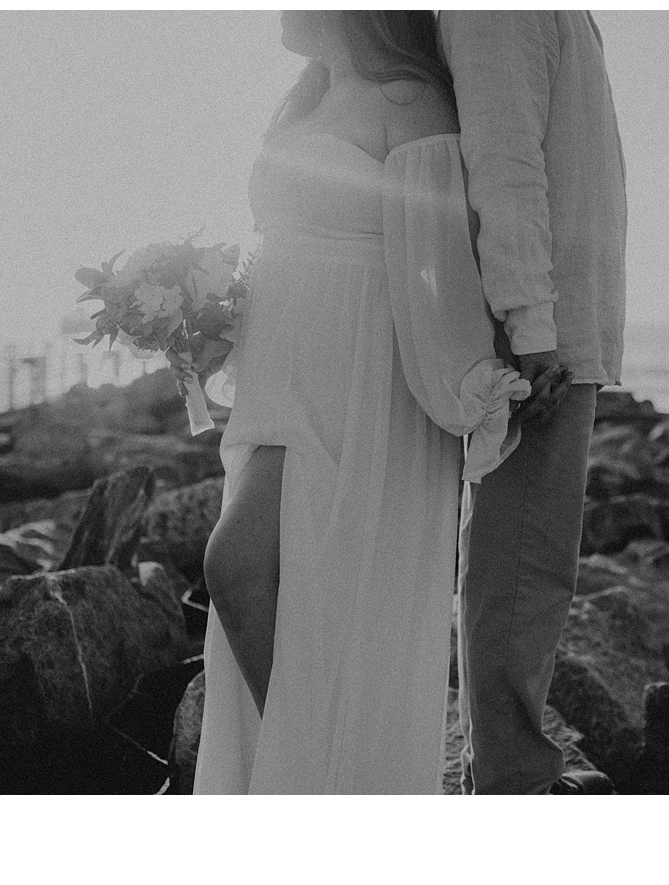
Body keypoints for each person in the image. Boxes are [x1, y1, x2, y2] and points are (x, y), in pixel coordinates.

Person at [192, 10, 529, 794]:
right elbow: (283, 246)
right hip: (280, 371)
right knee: (269, 581)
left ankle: (320, 785)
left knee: (240, 567)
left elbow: (434, 266)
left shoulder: (410, 102)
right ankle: (311, 785)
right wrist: (204, 319)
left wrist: (476, 386)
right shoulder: (302, 101)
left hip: (358, 378)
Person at [438, 10, 629, 794]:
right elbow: (503, 157)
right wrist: (532, 322)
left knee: (531, 572)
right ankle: (511, 787)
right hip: (540, 339)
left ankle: (509, 772)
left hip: (557, 327)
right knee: (521, 575)